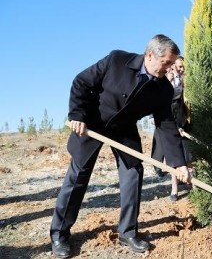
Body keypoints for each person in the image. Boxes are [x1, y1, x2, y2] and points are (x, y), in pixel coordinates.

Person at [50, 34, 190, 258]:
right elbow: (82, 82)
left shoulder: (163, 89)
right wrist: (77, 114)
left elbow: (165, 126)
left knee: (133, 172)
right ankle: (59, 234)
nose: (170, 68)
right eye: (167, 62)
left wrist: (178, 163)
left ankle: (128, 231)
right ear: (151, 55)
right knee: (78, 175)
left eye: (172, 63)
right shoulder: (117, 60)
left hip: (124, 128)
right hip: (93, 122)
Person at [151, 56, 192, 201]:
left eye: (183, 67)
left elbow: (185, 107)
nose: (181, 69)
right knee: (173, 157)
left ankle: (191, 183)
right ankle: (174, 189)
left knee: (188, 156)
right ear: (173, 66)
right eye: (179, 66)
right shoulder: (165, 80)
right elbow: (158, 102)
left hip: (183, 121)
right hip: (168, 122)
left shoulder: (186, 82)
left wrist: (181, 125)